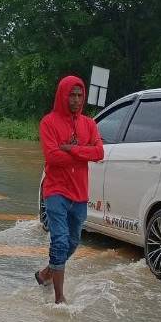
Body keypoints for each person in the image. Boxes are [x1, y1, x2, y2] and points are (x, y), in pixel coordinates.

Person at [34, 76, 104, 304]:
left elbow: (99, 153)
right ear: (62, 95)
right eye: (71, 95)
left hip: (80, 193)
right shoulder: (48, 122)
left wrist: (72, 150)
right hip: (56, 191)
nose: (75, 100)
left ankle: (45, 274)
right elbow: (52, 157)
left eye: (79, 95)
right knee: (60, 241)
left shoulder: (89, 124)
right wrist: (82, 151)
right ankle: (59, 298)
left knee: (73, 242)